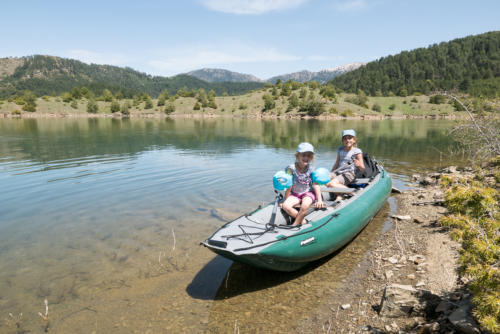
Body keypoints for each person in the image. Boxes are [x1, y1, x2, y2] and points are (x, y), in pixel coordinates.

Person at [281, 142, 324, 226]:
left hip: (308, 193)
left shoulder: (311, 169)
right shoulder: (291, 168)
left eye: (308, 156)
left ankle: (295, 224)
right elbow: (288, 185)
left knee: (304, 206)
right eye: (303, 155)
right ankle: (303, 221)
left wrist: (319, 200)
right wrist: (285, 199)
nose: (306, 158)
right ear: (297, 156)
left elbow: (316, 184)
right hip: (295, 194)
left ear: (311, 157)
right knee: (285, 206)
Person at [326, 129, 365, 199]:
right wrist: (331, 173)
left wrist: (358, 165)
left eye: (350, 138)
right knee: (324, 179)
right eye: (345, 138)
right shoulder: (340, 149)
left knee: (332, 183)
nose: (347, 140)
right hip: (338, 172)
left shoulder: (357, 151)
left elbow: (363, 168)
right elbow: (337, 163)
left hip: (349, 174)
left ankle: (353, 192)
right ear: (342, 140)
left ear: (354, 140)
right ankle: (340, 195)